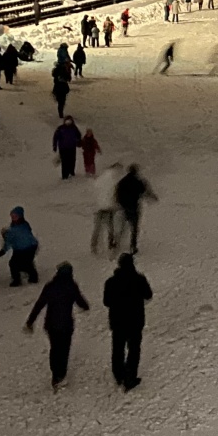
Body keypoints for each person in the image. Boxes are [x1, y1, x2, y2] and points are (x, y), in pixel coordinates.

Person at [24, 263, 89, 389]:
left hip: (51, 324)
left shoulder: (50, 286)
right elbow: (80, 301)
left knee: (54, 348)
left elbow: (39, 304)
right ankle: (61, 375)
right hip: (66, 324)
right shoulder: (71, 286)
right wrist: (85, 306)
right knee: (64, 350)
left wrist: (30, 321)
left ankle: (55, 374)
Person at [102, 253, 151, 391]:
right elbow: (148, 295)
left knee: (118, 348)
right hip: (135, 321)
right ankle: (130, 377)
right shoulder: (139, 279)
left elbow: (106, 301)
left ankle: (118, 375)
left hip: (117, 321)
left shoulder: (111, 282)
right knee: (134, 349)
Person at [115, 165, 157, 254]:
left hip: (125, 207)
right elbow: (145, 191)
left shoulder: (122, 181)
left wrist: (120, 203)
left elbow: (117, 193)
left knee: (122, 226)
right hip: (134, 207)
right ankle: (133, 246)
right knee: (134, 228)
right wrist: (152, 197)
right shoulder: (138, 181)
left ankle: (117, 243)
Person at [0, 207, 40, 286]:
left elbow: (8, 241)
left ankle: (17, 280)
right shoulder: (24, 224)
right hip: (30, 246)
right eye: (12, 216)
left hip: (25, 248)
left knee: (14, 264)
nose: (13, 217)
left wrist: (3, 251)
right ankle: (32, 276)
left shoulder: (14, 230)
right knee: (26, 263)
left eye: (15, 216)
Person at [91, 161, 123, 253]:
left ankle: (94, 245)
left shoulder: (100, 178)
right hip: (109, 206)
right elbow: (114, 193)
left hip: (99, 206)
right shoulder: (114, 179)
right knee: (110, 226)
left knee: (97, 227)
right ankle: (111, 243)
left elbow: (96, 189)